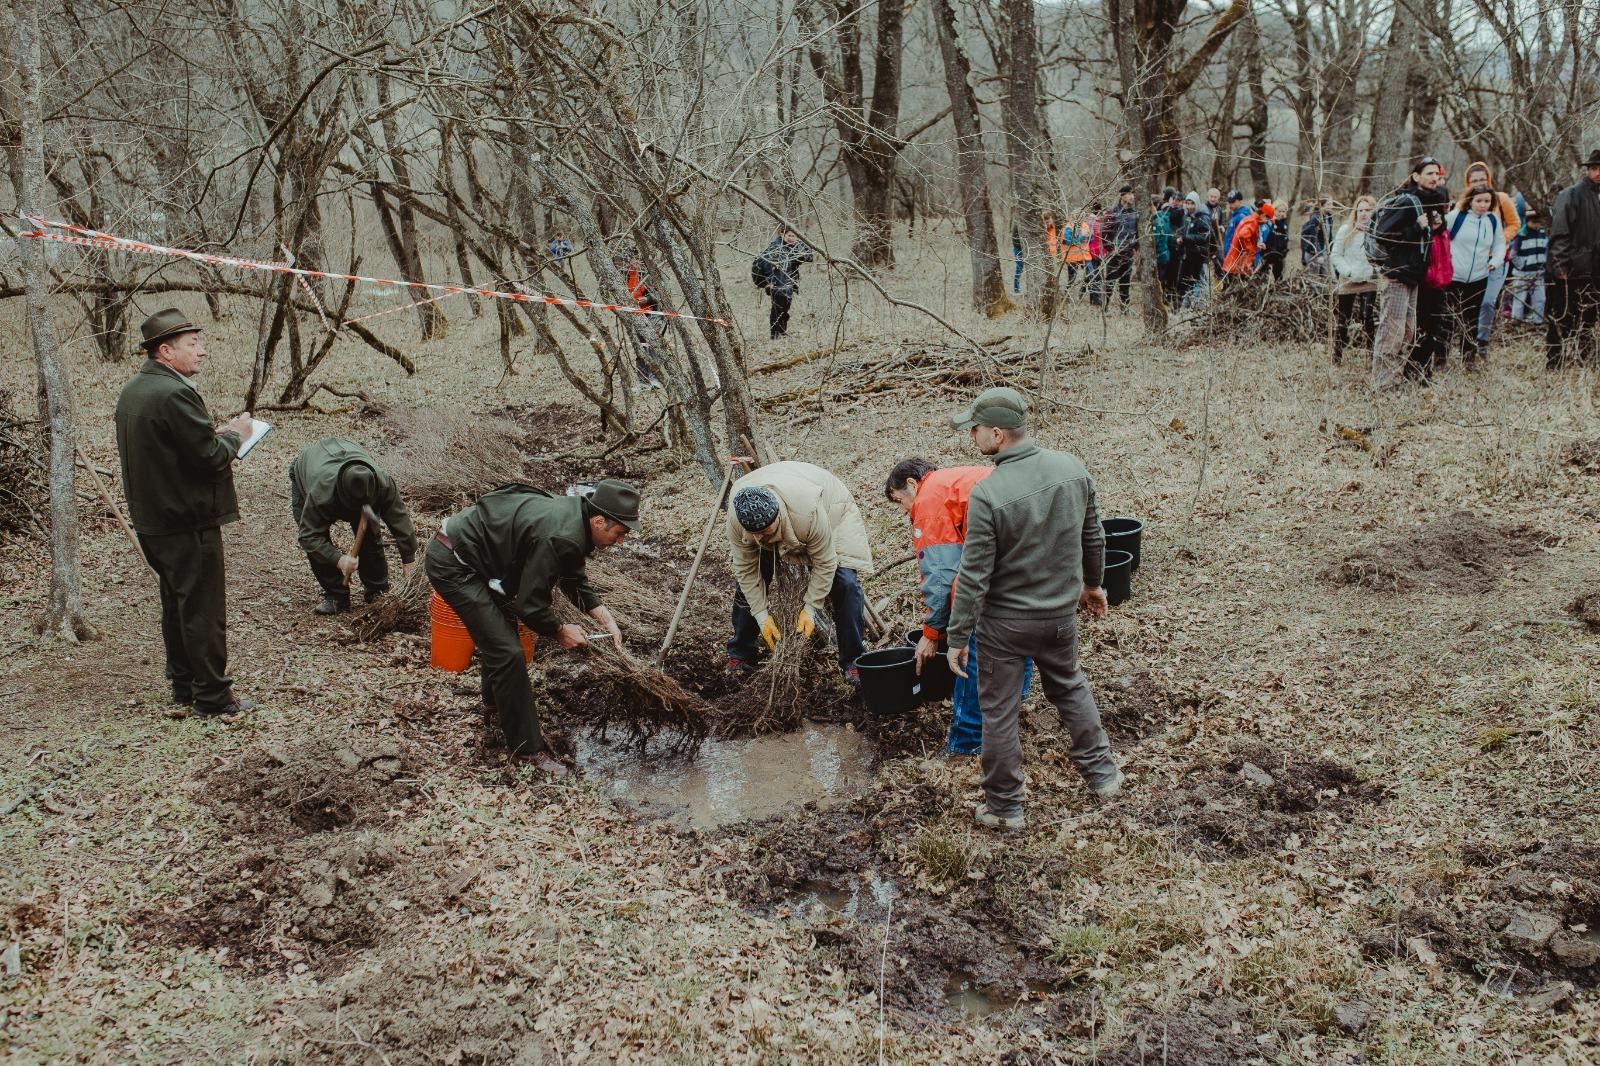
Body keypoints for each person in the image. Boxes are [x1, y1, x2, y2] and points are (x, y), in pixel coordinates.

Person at [944, 387, 1122, 831]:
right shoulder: (1072, 468)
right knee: (1070, 686)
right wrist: (1094, 585)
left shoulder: (988, 494)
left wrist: (957, 636)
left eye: (977, 428)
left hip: (1005, 627)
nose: (973, 435)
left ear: (998, 434)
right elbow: (1094, 536)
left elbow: (974, 575)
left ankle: (1005, 808)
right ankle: (1103, 776)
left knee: (999, 711)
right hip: (1060, 618)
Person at [425, 480, 639, 779]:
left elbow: (572, 577)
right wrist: (559, 630)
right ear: (599, 521)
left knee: (503, 635)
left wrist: (604, 617)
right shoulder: (562, 533)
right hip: (455, 563)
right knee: (508, 651)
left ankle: (494, 705)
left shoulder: (575, 516)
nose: (621, 542)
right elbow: (530, 606)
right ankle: (526, 749)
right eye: (620, 534)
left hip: (482, 561)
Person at [114, 308, 255, 718]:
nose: (203, 352)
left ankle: (184, 685)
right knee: (203, 610)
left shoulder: (134, 390)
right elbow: (209, 458)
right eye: (193, 344)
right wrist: (236, 437)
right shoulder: (174, 393)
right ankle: (212, 697)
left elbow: (173, 448)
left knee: (177, 603)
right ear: (165, 350)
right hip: (186, 521)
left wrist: (219, 433)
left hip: (155, 522)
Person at [884, 459, 1032, 757]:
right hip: (1032, 551)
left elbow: (941, 576)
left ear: (912, 484)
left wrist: (933, 632)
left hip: (1007, 555)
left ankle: (966, 743)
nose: (903, 511)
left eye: (899, 500)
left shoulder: (929, 498)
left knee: (968, 646)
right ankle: (1017, 695)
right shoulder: (958, 481)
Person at [725, 461, 873, 682]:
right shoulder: (739, 519)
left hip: (833, 510)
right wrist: (762, 616)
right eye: (753, 533)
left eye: (764, 532)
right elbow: (746, 572)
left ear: (778, 517)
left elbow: (825, 563)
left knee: (846, 583)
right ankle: (741, 652)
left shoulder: (809, 512)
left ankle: (853, 661)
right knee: (746, 584)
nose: (758, 539)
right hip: (786, 497)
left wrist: (811, 607)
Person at [289, 437, 419, 614]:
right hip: (308, 467)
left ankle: (377, 591)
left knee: (370, 535)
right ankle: (336, 595)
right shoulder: (320, 493)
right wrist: (339, 560)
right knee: (317, 544)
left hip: (346, 453)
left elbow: (400, 519)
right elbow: (309, 537)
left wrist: (409, 558)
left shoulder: (382, 482)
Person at [1369, 156, 1448, 390]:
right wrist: (1417, 227)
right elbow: (1383, 235)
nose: (1435, 178)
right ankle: (1382, 386)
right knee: (1391, 331)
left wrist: (1432, 228)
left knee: (1407, 332)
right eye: (1430, 173)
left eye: (1437, 174)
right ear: (1416, 176)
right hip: (1396, 275)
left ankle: (1395, 380)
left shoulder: (1428, 202)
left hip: (1414, 277)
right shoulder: (1405, 201)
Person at [1455, 162, 1521, 351]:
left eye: (1482, 180)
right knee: (1467, 304)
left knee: (1487, 301)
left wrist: (1499, 241)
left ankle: (1482, 342)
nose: (1477, 183)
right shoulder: (1461, 206)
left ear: (1489, 180)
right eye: (1473, 181)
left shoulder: (1501, 199)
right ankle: (1465, 339)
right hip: (1470, 262)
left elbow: (1514, 224)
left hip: (1496, 261)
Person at [1440, 185, 1507, 370]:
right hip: (1454, 276)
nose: (1482, 205)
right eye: (1479, 201)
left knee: (1471, 320)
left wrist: (1496, 260)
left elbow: (1500, 244)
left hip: (1479, 277)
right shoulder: (1457, 216)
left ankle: (1468, 359)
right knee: (1448, 318)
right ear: (1470, 200)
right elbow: (1440, 235)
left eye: (1487, 201)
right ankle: (1440, 359)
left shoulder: (1492, 220)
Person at [1545, 149, 1600, 369]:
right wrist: (1560, 267)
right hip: (1572, 268)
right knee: (1561, 317)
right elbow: (1559, 233)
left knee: (1588, 318)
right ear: (1587, 170)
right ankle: (1555, 363)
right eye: (1594, 168)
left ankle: (1585, 363)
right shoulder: (1571, 194)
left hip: (1595, 271)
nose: (1598, 173)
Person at [1330, 195, 1381, 364]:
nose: (1364, 214)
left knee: (1367, 317)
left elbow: (1382, 255)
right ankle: (1337, 356)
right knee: (1343, 318)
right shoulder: (1346, 230)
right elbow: (1336, 254)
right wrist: (1348, 271)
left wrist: (1374, 270)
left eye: (1367, 210)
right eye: (1360, 210)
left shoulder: (1376, 232)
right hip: (1348, 279)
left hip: (1369, 280)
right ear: (1355, 211)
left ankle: (1371, 357)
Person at [754, 226, 815, 339]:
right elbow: (766, 263)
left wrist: (798, 246)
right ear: (782, 234)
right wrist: (770, 282)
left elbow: (808, 258)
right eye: (789, 236)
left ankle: (782, 332)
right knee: (778, 309)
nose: (791, 238)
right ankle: (775, 334)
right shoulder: (776, 247)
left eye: (794, 236)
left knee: (785, 309)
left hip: (789, 283)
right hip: (778, 284)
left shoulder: (791, 247)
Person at [1507, 209, 1548, 326]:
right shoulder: (1521, 235)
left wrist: (1543, 264)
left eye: (1538, 222)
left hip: (1538, 273)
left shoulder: (1543, 234)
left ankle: (1537, 321)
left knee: (1540, 298)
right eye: (1534, 222)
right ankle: (1516, 319)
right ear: (1527, 222)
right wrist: (1522, 265)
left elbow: (1546, 251)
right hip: (1522, 274)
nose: (1537, 225)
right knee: (1519, 297)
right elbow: (1513, 255)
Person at [1102, 186, 1139, 309]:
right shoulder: (1111, 212)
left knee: (1125, 284)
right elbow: (1105, 234)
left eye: (1132, 194)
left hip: (1128, 255)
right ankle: (1104, 307)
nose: (1132, 197)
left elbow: (1137, 234)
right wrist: (1111, 249)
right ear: (1122, 196)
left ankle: (1124, 309)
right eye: (1129, 194)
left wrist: (1136, 249)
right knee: (1109, 283)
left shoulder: (1135, 213)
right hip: (1114, 255)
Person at [1177, 192, 1212, 303]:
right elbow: (1183, 231)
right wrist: (1180, 238)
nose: (1189, 206)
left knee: (1198, 283)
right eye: (1187, 203)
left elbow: (1204, 237)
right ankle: (1183, 307)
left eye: (1192, 203)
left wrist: (1186, 238)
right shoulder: (1187, 217)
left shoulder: (1203, 217)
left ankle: (1199, 307)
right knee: (1183, 282)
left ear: (1196, 204)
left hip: (1199, 256)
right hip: (1187, 255)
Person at [1221, 198, 1262, 283]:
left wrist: (1252, 247)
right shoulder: (1248, 219)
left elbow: (1244, 237)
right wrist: (1250, 249)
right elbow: (1242, 236)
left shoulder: (1243, 217)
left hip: (1237, 262)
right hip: (1236, 262)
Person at [1300, 199, 1334, 277]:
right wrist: (1319, 254)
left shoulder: (1329, 218)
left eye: (1332, 204)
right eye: (1328, 204)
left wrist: (1331, 249)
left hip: (1325, 252)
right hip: (1314, 253)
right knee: (1313, 278)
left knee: (1329, 277)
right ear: (1321, 206)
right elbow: (1314, 237)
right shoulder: (1315, 218)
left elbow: (1330, 236)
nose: (1331, 206)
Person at [1259, 201, 1289, 281]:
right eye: (1279, 211)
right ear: (1274, 211)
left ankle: (1278, 287)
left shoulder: (1284, 224)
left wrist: (1284, 251)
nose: (1281, 213)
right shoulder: (1270, 222)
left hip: (1279, 253)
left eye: (1283, 211)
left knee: (1278, 274)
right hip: (1268, 252)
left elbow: (1285, 238)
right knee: (1263, 273)